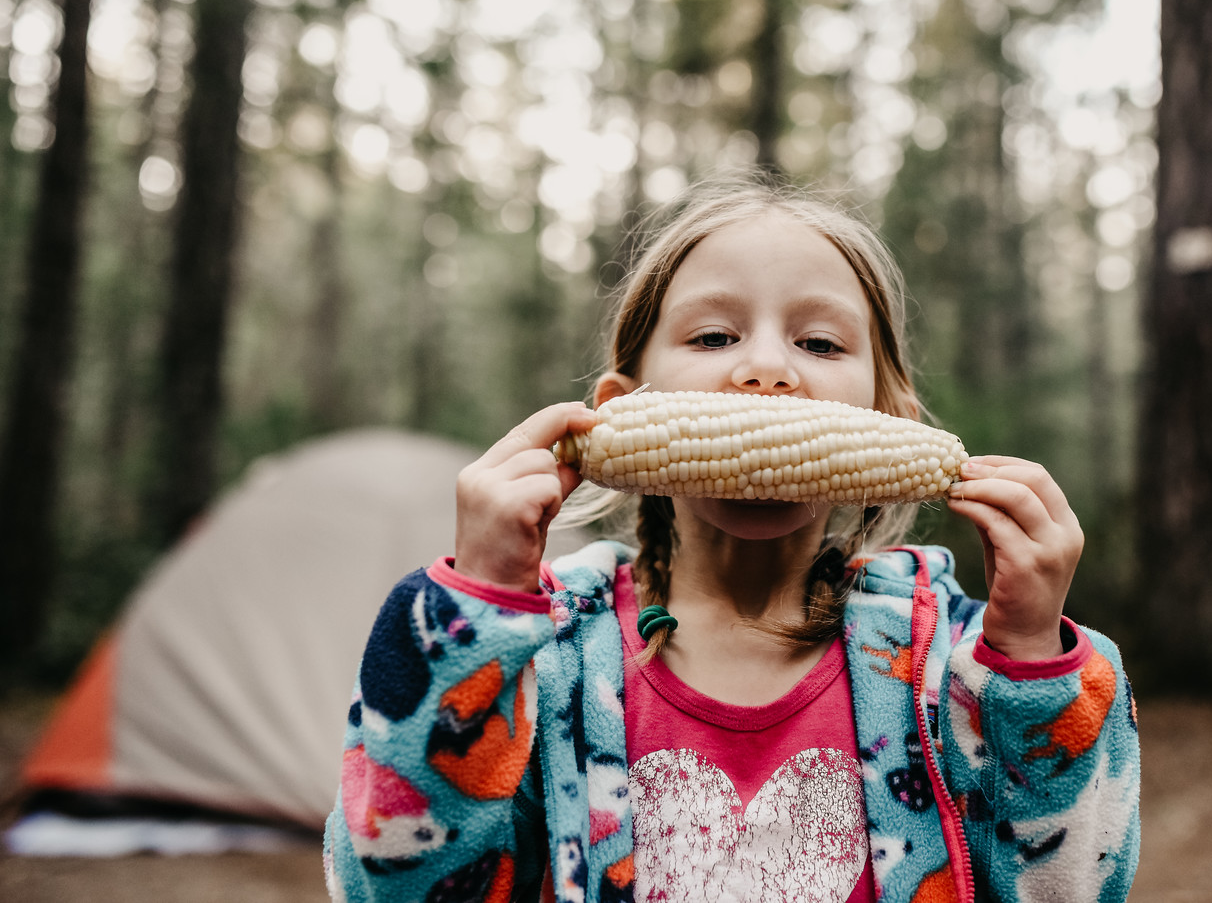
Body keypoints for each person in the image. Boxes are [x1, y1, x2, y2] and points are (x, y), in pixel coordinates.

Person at [325, 176, 1140, 903]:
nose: (767, 370)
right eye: (714, 337)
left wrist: (1034, 661)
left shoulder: (958, 666)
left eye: (819, 343)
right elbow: (391, 888)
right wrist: (476, 611)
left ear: (888, 418)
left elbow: (1067, 891)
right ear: (617, 404)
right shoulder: (545, 654)